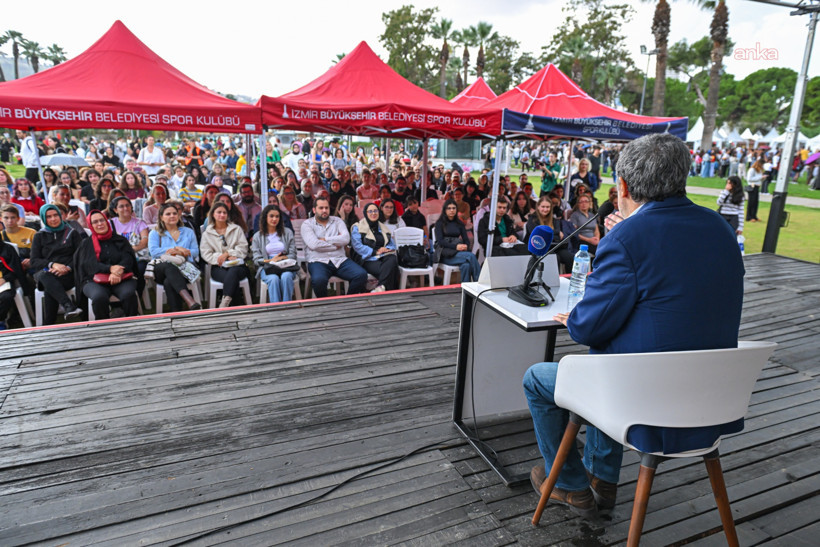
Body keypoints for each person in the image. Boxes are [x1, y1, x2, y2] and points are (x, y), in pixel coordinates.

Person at [523, 133, 745, 519]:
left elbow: (587, 328)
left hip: (646, 406)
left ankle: (572, 485)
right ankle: (602, 480)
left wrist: (619, 238)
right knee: (610, 356)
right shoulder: (720, 229)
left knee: (541, 376)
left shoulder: (627, 236)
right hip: (714, 401)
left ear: (622, 186)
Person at [74, 210, 140, 320]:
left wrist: (118, 271)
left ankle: (132, 323)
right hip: (93, 280)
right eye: (95, 222)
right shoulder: (86, 244)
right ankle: (104, 327)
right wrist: (110, 269)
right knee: (99, 297)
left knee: (128, 294)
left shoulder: (120, 240)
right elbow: (89, 265)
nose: (99, 224)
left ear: (107, 221)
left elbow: (128, 258)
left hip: (122, 277)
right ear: (90, 225)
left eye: (102, 220)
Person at [300, 197, 368, 298]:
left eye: (326, 208)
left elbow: (346, 239)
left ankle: (347, 302)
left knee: (361, 275)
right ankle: (326, 305)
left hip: (339, 260)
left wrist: (325, 240)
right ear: (314, 210)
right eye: (321, 208)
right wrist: (335, 245)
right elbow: (313, 244)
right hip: (318, 261)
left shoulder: (338, 221)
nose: (324, 210)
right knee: (319, 281)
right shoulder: (307, 224)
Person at [30, 204, 84, 323]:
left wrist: (68, 267)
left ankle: (49, 324)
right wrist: (52, 265)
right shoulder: (39, 236)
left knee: (50, 287)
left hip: (69, 274)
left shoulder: (72, 233)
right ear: (44, 219)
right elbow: (34, 261)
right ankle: (68, 306)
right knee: (45, 276)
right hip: (46, 272)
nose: (53, 219)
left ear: (60, 216)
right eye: (49, 217)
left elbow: (80, 255)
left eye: (55, 215)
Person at [148, 203, 201, 311]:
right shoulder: (155, 233)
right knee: (169, 266)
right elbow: (153, 252)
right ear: (161, 217)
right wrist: (177, 249)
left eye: (174, 213)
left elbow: (195, 252)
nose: (172, 216)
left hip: (185, 268)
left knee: (169, 281)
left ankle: (177, 312)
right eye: (168, 214)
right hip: (161, 268)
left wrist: (183, 253)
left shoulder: (188, 232)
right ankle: (189, 300)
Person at [200, 202, 251, 308]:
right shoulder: (207, 233)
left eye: (224, 213)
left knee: (234, 271)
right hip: (218, 267)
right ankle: (235, 305)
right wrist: (222, 257)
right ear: (213, 214)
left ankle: (224, 303)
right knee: (232, 277)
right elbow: (206, 253)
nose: (222, 215)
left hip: (238, 265)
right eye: (219, 212)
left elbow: (243, 248)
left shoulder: (236, 229)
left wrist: (229, 253)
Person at [252, 205, 297, 303]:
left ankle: (286, 306)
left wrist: (281, 259)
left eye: (277, 216)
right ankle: (276, 308)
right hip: (267, 266)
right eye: (271, 216)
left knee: (286, 276)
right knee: (273, 279)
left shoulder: (288, 232)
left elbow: (293, 254)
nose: (274, 219)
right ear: (265, 218)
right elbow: (256, 259)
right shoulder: (257, 236)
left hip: (286, 264)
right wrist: (271, 260)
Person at [351, 203, 399, 292]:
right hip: (367, 258)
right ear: (365, 213)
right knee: (391, 269)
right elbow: (357, 246)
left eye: (375, 211)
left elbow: (392, 244)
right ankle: (386, 289)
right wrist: (375, 252)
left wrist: (385, 249)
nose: (373, 213)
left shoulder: (383, 227)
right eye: (370, 211)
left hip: (383, 256)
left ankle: (380, 288)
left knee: (392, 258)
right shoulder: (358, 227)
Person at [434, 199, 480, 282]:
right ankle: (479, 282)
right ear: (445, 210)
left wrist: (465, 246)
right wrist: (456, 247)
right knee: (471, 256)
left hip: (458, 254)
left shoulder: (459, 223)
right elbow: (440, 241)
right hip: (444, 254)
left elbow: (466, 240)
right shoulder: (439, 223)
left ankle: (466, 289)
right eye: (449, 208)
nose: (452, 210)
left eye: (454, 208)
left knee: (466, 265)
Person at [525, 196, 573, 272]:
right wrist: (555, 232)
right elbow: (537, 236)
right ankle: (554, 281)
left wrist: (550, 235)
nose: (545, 209)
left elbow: (558, 238)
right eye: (543, 207)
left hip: (553, 246)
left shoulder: (554, 220)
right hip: (537, 248)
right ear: (538, 207)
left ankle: (568, 279)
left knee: (570, 257)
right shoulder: (532, 219)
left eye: (548, 207)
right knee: (554, 257)